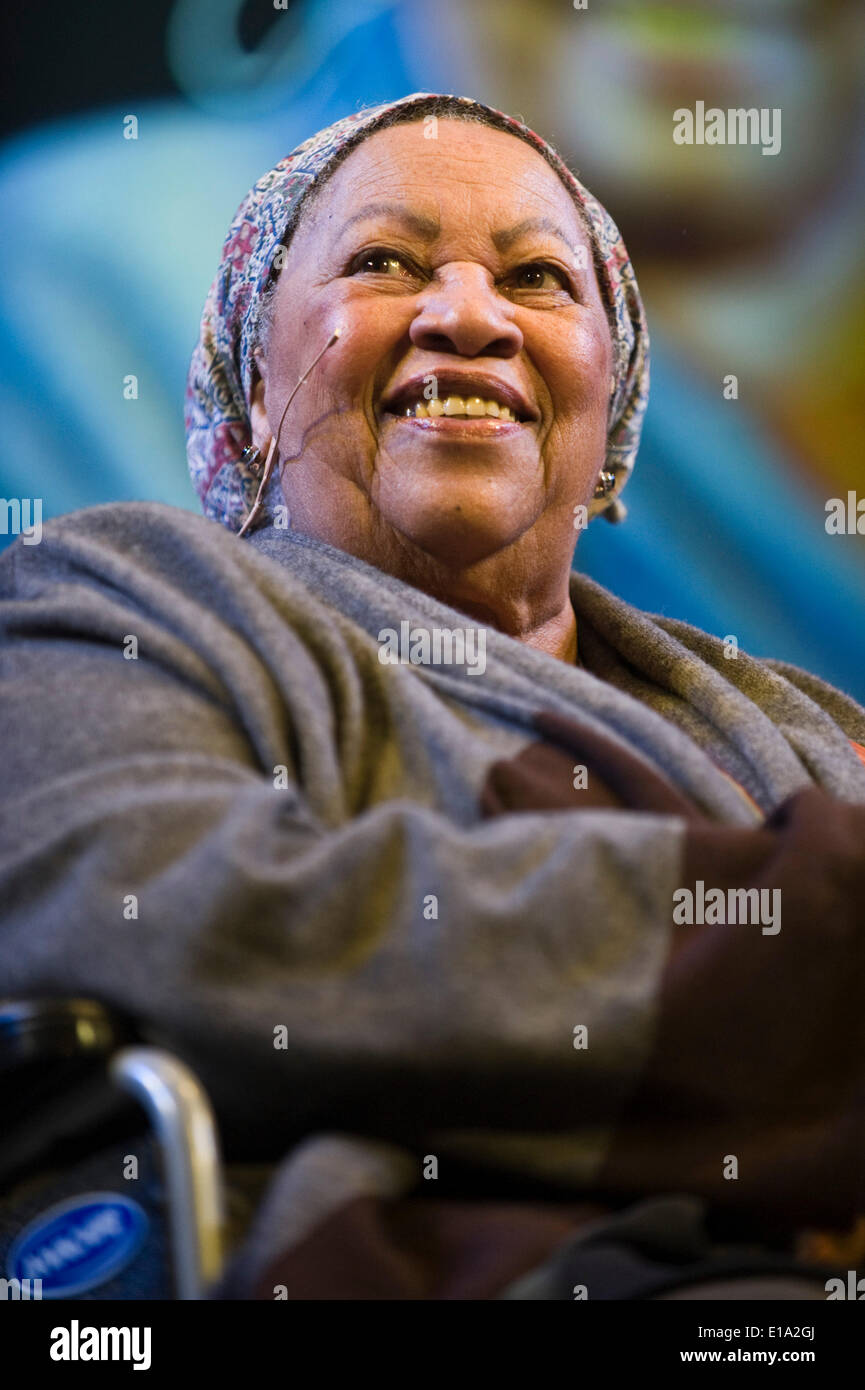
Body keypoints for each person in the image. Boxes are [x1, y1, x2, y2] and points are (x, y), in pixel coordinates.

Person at [1, 93, 863, 1299]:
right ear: (253, 388)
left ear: (607, 409)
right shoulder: (121, 604)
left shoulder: (811, 727)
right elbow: (148, 922)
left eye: (539, 281)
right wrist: (804, 939)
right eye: (385, 262)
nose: (468, 315)